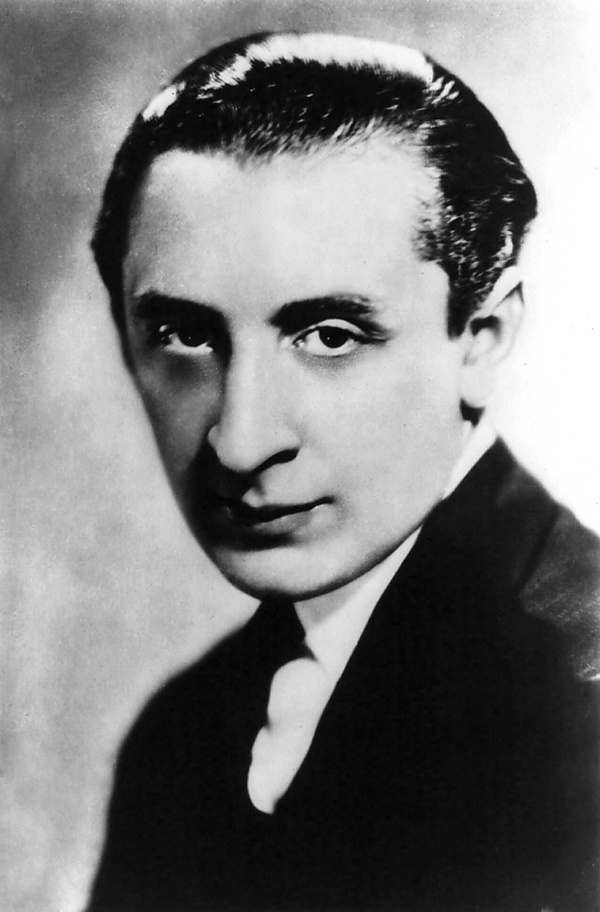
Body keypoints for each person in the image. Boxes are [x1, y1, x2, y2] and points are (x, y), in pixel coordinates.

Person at [85, 32, 599, 912]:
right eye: (186, 334)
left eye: (330, 336)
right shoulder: (186, 734)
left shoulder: (577, 714)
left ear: (482, 340)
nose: (240, 442)